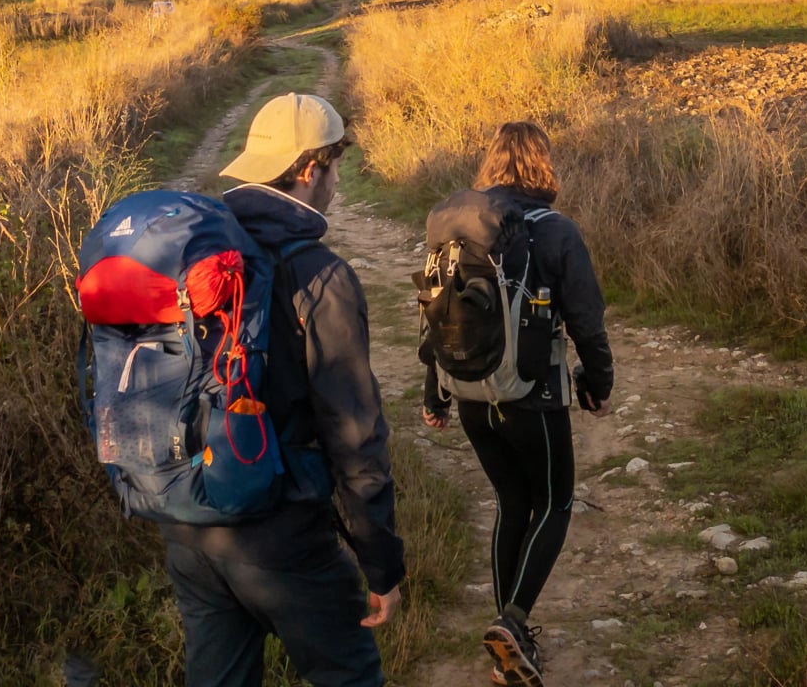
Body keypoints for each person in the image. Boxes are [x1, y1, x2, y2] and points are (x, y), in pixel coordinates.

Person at [162, 92, 405, 687]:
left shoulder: (198, 249)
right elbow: (355, 434)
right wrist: (380, 563)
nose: (336, 181)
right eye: (335, 165)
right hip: (282, 537)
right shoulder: (319, 275)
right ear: (308, 169)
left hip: (190, 529)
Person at [422, 121, 614, 687]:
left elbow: (436, 313)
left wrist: (434, 392)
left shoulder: (457, 227)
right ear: (542, 164)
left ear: (492, 163)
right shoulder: (555, 230)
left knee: (511, 503)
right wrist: (596, 384)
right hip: (534, 394)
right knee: (554, 503)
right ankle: (513, 623)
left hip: (472, 393)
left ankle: (511, 642)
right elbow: (586, 321)